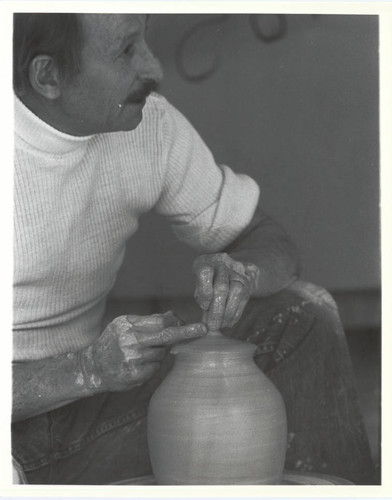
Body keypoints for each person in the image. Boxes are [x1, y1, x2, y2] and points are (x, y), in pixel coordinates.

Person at [12, 13, 376, 485]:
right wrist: (83, 371)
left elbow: (267, 239)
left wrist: (242, 271)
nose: (154, 67)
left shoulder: (149, 125)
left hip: (87, 415)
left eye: (145, 38)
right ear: (48, 76)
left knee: (302, 314)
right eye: (126, 51)